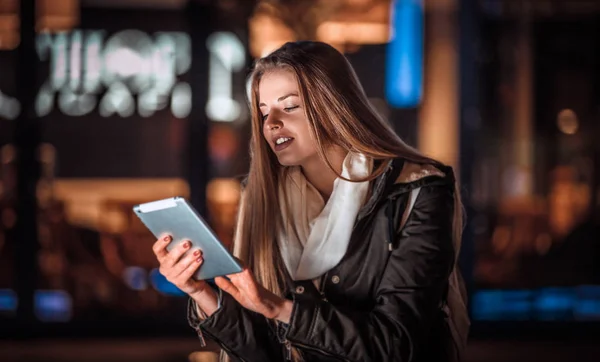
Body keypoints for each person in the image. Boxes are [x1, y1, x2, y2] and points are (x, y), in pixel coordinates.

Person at [152, 41, 469, 362]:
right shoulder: (262, 195)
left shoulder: (417, 189)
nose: (271, 123)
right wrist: (202, 293)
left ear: (334, 106)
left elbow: (397, 345)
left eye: (289, 107)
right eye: (263, 112)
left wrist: (280, 308)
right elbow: (263, 352)